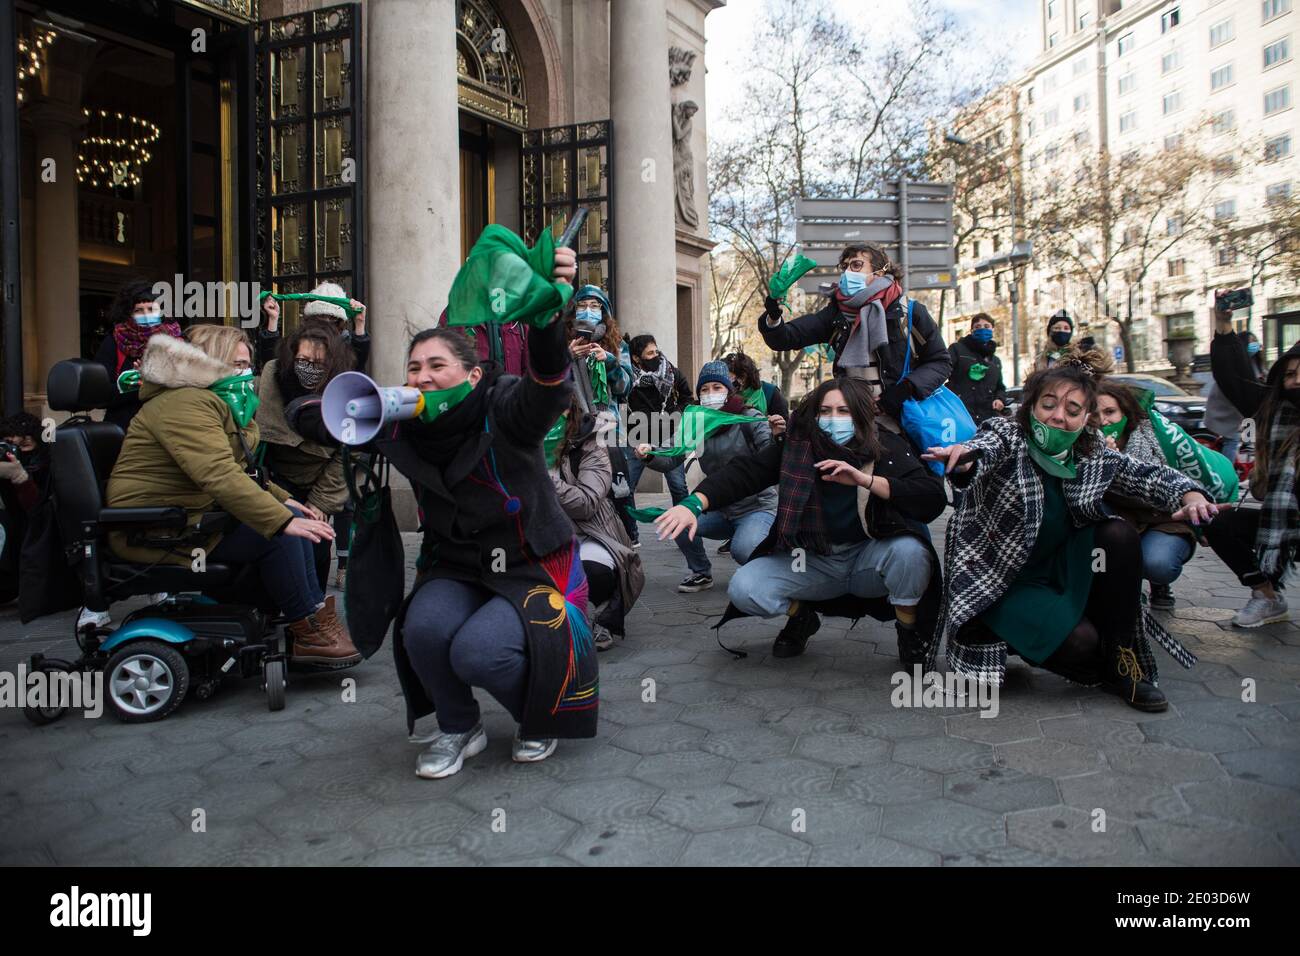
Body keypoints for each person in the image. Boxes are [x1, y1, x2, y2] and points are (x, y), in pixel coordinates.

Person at [380, 245, 596, 779]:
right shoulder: (402, 423)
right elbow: (320, 418)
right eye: (413, 368)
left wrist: (548, 319)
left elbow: (548, 386)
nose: (423, 376)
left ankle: (540, 715)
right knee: (423, 631)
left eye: (437, 365)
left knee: (478, 652)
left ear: (472, 376)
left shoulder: (504, 405)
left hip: (530, 561)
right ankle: (459, 726)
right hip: (458, 563)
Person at [925, 355, 1222, 713]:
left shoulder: (1092, 451)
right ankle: (1000, 634)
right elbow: (985, 448)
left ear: (1085, 419)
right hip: (1003, 580)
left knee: (1118, 534)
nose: (1058, 416)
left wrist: (1190, 494)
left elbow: (1146, 475)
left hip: (1064, 568)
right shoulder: (1009, 434)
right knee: (1081, 644)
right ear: (1032, 406)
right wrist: (966, 458)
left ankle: (1123, 662)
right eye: (1048, 404)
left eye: (1072, 408)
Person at [105, 324, 359, 665]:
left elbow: (240, 470)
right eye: (236, 364)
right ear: (211, 362)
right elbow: (219, 474)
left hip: (191, 517)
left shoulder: (215, 400)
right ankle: (309, 629)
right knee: (279, 535)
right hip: (157, 529)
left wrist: (285, 500)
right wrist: (281, 519)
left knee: (298, 522)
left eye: (247, 364)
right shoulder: (184, 402)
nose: (246, 373)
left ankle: (308, 618)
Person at [655, 377, 944, 664]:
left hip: (868, 557)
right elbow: (745, 473)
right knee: (745, 589)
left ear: (861, 413)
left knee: (912, 553)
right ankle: (802, 618)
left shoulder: (885, 446)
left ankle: (909, 633)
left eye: (844, 411)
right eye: (825, 411)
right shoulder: (796, 446)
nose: (833, 419)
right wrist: (693, 504)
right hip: (810, 559)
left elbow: (931, 498)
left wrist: (866, 480)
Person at [757, 244, 951, 437]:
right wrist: (773, 314)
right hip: (851, 425)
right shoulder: (836, 314)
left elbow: (940, 362)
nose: (849, 272)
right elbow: (785, 338)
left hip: (903, 422)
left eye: (857, 265)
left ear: (880, 270)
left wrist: (905, 389)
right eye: (846, 266)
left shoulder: (909, 312)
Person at [634, 361, 777, 567]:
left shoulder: (750, 417)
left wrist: (777, 435)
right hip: (719, 507)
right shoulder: (697, 424)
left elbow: (770, 457)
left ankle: (769, 567)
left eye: (717, 387)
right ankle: (700, 571)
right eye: (704, 389)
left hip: (757, 507)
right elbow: (672, 453)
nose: (710, 393)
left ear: (728, 390)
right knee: (677, 520)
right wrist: (650, 453)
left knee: (743, 549)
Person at [1204, 343, 1300, 628]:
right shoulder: (1278, 420)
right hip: (1287, 525)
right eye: (1290, 375)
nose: (1297, 381)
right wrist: (1224, 330)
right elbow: (1234, 380)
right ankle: (1267, 596)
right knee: (1217, 520)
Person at [255, 322, 354, 592]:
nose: (309, 367)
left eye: (318, 362)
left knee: (318, 546)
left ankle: (316, 611)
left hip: (321, 479)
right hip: (276, 477)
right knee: (281, 549)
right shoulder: (273, 377)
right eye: (303, 360)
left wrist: (321, 501)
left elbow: (349, 451)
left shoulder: (345, 389)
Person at [549, 396, 644, 650]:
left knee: (593, 571)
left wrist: (547, 476)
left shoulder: (591, 443)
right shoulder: (521, 444)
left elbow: (586, 503)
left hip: (591, 531)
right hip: (544, 535)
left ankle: (603, 611)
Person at [1094, 379, 1196, 610]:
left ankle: (1157, 582)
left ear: (1126, 413)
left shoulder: (1151, 438)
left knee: (1158, 564)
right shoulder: (1089, 443)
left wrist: (1193, 498)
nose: (1103, 421)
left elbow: (1160, 478)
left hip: (1163, 519)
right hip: (1121, 519)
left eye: (1110, 412)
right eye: (1096, 414)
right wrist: (1102, 464)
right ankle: (1122, 583)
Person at [623, 334, 710, 585]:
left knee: (678, 486)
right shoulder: (628, 376)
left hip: (670, 437)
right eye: (650, 354)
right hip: (638, 438)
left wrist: (677, 415)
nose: (656, 356)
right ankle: (632, 533)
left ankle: (682, 528)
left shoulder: (670, 371)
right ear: (637, 358)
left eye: (656, 351)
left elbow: (687, 396)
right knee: (626, 486)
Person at [93, 279, 185, 431]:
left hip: (169, 426)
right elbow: (101, 394)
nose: (146, 315)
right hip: (126, 430)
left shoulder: (178, 342)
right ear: (128, 313)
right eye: (139, 310)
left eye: (151, 309)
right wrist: (136, 384)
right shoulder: (113, 342)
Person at [256, 281, 370, 371]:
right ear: (311, 317)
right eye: (321, 316)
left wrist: (360, 323)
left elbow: (357, 367)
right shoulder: (297, 342)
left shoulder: (345, 343)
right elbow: (272, 367)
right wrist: (273, 319)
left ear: (339, 321)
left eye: (332, 317)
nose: (326, 322)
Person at [0, 413, 50, 604]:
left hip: (36, 526)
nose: (20, 445)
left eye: (26, 439)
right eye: (12, 444)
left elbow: (36, 507)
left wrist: (21, 477)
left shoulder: (45, 461)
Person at [565, 284, 632, 416]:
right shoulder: (561, 340)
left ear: (603, 311)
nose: (588, 311)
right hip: (571, 422)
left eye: (594, 306)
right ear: (575, 310)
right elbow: (546, 380)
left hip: (607, 423)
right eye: (582, 305)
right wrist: (566, 356)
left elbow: (626, 388)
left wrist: (610, 362)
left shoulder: (617, 344)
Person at [1210, 295, 1260, 463]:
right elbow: (1230, 374)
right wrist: (1224, 326)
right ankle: (1228, 468)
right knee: (1232, 441)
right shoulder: (1242, 367)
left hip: (1242, 418)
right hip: (1231, 418)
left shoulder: (1259, 367)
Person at [946, 312, 1007, 426]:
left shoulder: (995, 361)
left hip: (987, 418)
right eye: (977, 327)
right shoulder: (957, 350)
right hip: (960, 415)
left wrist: (1000, 399)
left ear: (992, 329)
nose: (982, 329)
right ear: (971, 330)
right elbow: (942, 371)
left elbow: (1000, 387)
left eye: (986, 326)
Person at [723, 350, 790, 422]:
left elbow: (784, 426)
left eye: (729, 377)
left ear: (742, 378)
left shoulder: (770, 393)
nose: (725, 381)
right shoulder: (726, 396)